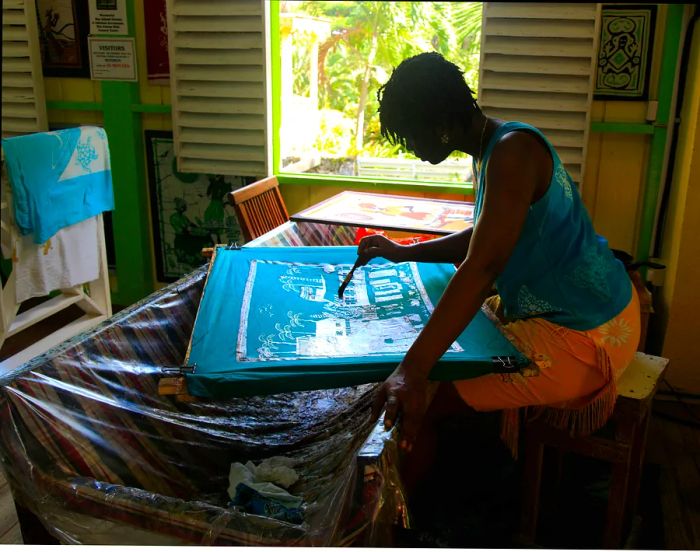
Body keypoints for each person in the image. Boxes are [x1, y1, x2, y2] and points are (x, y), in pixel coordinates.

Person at [357, 52, 641, 468]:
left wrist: (412, 371)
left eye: (414, 137)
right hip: (580, 310)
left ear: (441, 126)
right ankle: (479, 470)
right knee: (437, 340)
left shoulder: (512, 152)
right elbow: (485, 241)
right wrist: (405, 253)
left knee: (428, 392)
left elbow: (483, 265)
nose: (415, 150)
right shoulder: (493, 148)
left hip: (589, 333)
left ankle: (432, 513)